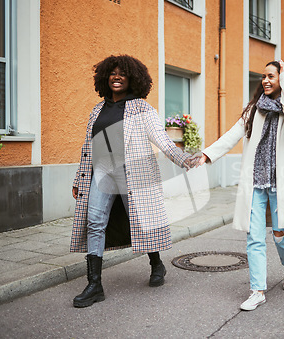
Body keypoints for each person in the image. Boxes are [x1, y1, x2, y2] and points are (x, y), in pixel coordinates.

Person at [70, 54, 195, 308]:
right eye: (113, 73)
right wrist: (79, 178)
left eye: (122, 73)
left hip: (133, 174)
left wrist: (185, 159)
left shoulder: (142, 108)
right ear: (106, 77)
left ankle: (156, 263)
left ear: (132, 79)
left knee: (142, 221)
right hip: (102, 172)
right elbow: (88, 147)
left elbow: (162, 140)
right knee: (94, 222)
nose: (117, 77)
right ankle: (95, 285)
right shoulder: (98, 109)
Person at [196, 60, 284, 311]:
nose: (265, 80)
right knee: (254, 237)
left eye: (272, 76)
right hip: (255, 182)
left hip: (281, 184)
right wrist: (207, 155)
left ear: (282, 78)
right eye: (263, 76)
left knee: (280, 235)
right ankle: (257, 290)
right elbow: (232, 134)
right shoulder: (254, 109)